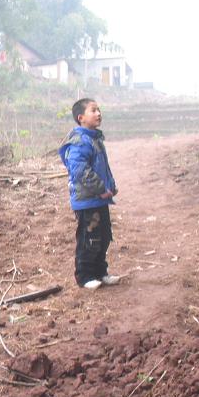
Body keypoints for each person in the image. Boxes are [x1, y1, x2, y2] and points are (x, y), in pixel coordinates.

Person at [59, 98, 120, 290]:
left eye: (99, 109)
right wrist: (101, 189)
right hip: (88, 201)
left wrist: (111, 186)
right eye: (93, 110)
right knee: (89, 239)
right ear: (81, 118)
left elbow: (103, 168)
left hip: (99, 199)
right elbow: (79, 170)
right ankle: (84, 276)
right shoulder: (80, 141)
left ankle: (101, 272)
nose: (98, 113)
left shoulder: (95, 138)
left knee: (103, 236)